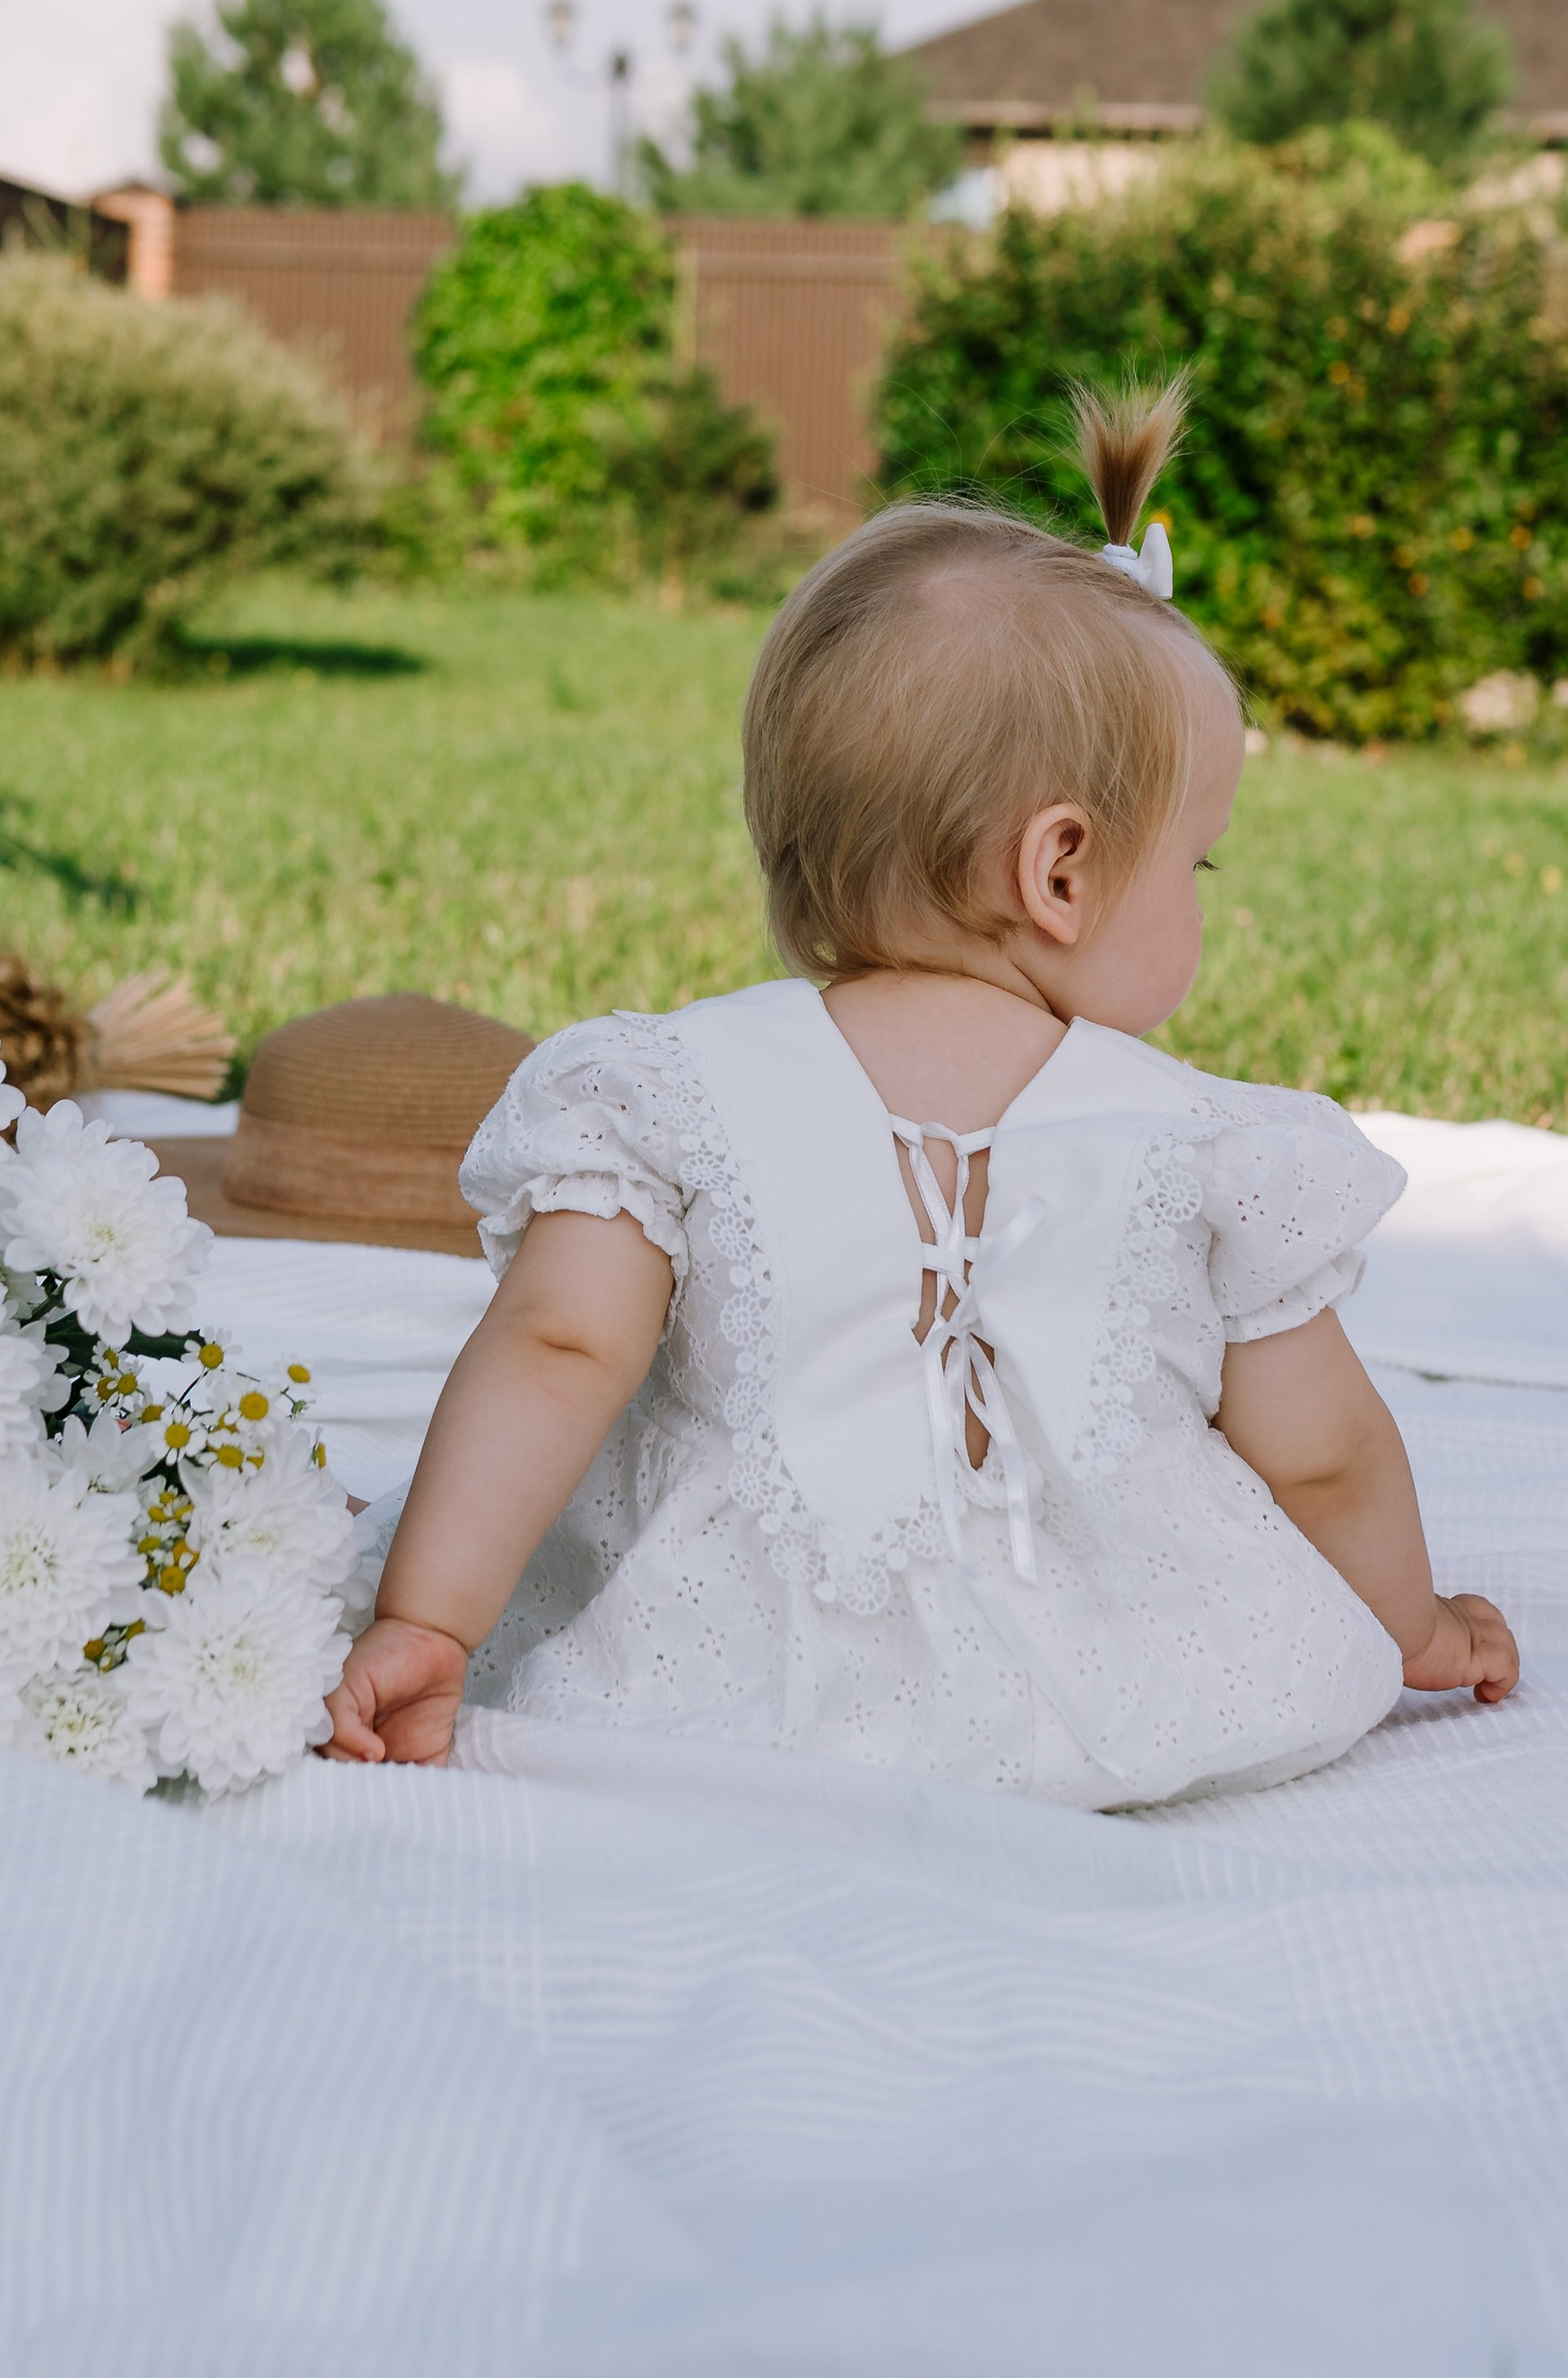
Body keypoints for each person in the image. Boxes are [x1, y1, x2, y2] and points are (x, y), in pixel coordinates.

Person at [324, 380, 1519, 1806]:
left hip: (720, 1677)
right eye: (1195, 867)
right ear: (1059, 872)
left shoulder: (659, 1097)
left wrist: (429, 1619)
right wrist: (1413, 1629)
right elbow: (1322, 1459)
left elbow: (557, 1350)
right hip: (1123, 1688)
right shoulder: (1213, 1149)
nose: (1203, 904)